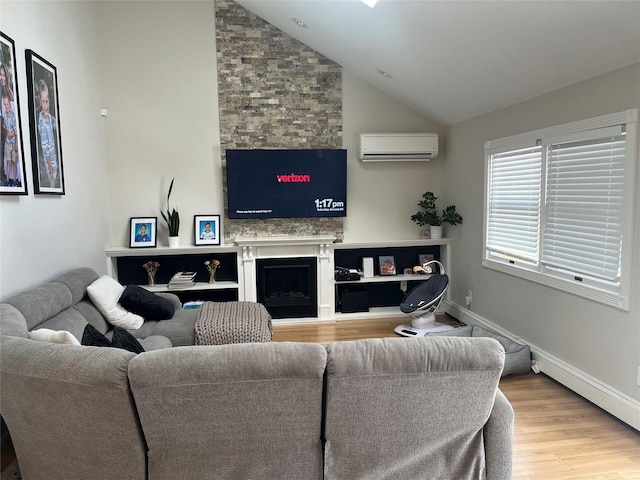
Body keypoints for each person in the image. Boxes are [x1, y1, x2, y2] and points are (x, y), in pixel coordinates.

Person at [37, 78, 58, 188]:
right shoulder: (42, 124)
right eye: (43, 102)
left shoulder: (50, 119)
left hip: (55, 163)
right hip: (50, 166)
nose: (46, 105)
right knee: (52, 184)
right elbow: (45, 150)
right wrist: (50, 168)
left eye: (47, 101)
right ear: (40, 102)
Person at [2, 95, 19, 187]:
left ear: (10, 104)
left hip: (13, 143)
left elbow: (16, 132)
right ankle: (7, 180)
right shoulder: (4, 115)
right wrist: (7, 133)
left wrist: (16, 144)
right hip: (8, 143)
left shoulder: (13, 116)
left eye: (7, 104)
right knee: (8, 161)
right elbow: (5, 128)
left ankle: (15, 180)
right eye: (5, 104)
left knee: (14, 162)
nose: (6, 106)